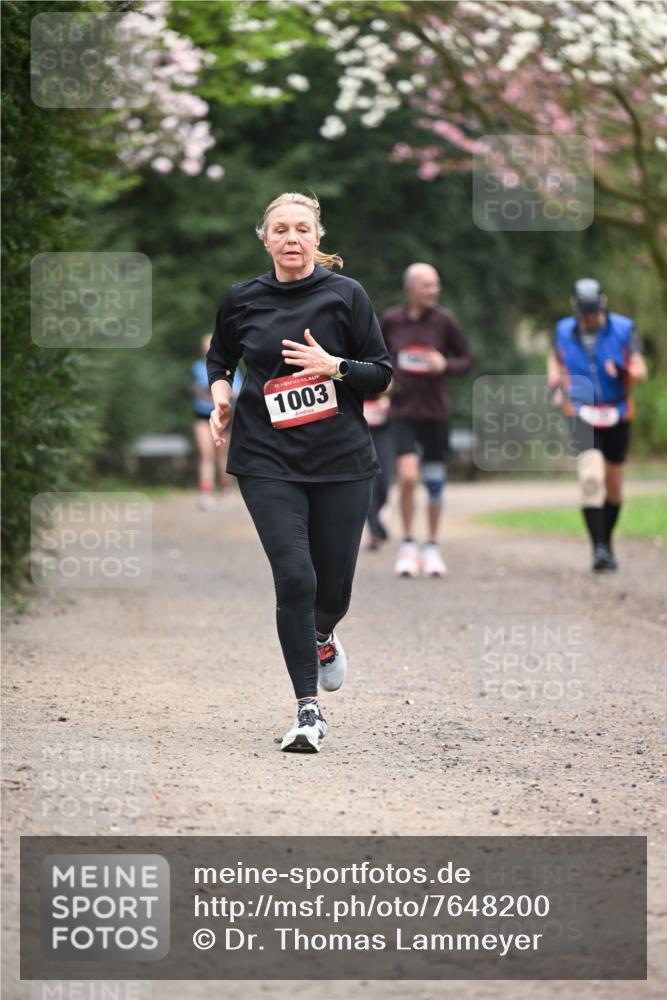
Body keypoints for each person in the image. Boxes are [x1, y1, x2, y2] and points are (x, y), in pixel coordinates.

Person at [206, 192, 392, 752]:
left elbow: (380, 373)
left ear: (318, 238)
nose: (291, 238)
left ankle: (324, 634)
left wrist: (332, 366)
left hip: (341, 461)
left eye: (302, 229)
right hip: (267, 458)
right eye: (281, 229)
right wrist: (221, 396)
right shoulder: (243, 299)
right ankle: (307, 710)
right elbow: (221, 357)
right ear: (265, 239)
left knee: (331, 592)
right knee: (295, 577)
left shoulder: (346, 295)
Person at [381, 263, 474, 577]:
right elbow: (376, 357)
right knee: (407, 477)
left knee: (434, 483)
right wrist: (383, 383)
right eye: (426, 286)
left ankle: (432, 546)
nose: (433, 291)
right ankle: (408, 544)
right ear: (410, 289)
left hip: (435, 414)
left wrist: (444, 363)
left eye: (436, 285)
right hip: (402, 413)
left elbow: (467, 360)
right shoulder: (391, 320)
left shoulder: (445, 321)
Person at [548, 278, 648, 572]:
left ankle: (607, 542)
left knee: (614, 487)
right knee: (591, 478)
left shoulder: (624, 329)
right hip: (581, 411)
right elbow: (554, 360)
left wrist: (623, 368)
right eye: (584, 314)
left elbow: (641, 371)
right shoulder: (564, 330)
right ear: (575, 309)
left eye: (594, 313)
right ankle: (599, 549)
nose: (589, 320)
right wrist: (555, 383)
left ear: (603, 306)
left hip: (617, 412)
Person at [191, 335, 235, 510]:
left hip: (223, 415)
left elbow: (236, 389)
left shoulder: (229, 366)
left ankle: (226, 489)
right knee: (206, 453)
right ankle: (206, 492)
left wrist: (219, 398)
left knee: (222, 454)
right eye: (205, 347)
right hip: (202, 415)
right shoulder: (197, 367)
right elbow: (196, 389)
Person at [363, 393, 394, 549]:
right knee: (369, 488)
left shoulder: (389, 382)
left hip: (384, 437)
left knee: (384, 488)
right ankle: (375, 532)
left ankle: (378, 526)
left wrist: (391, 402)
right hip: (362, 438)